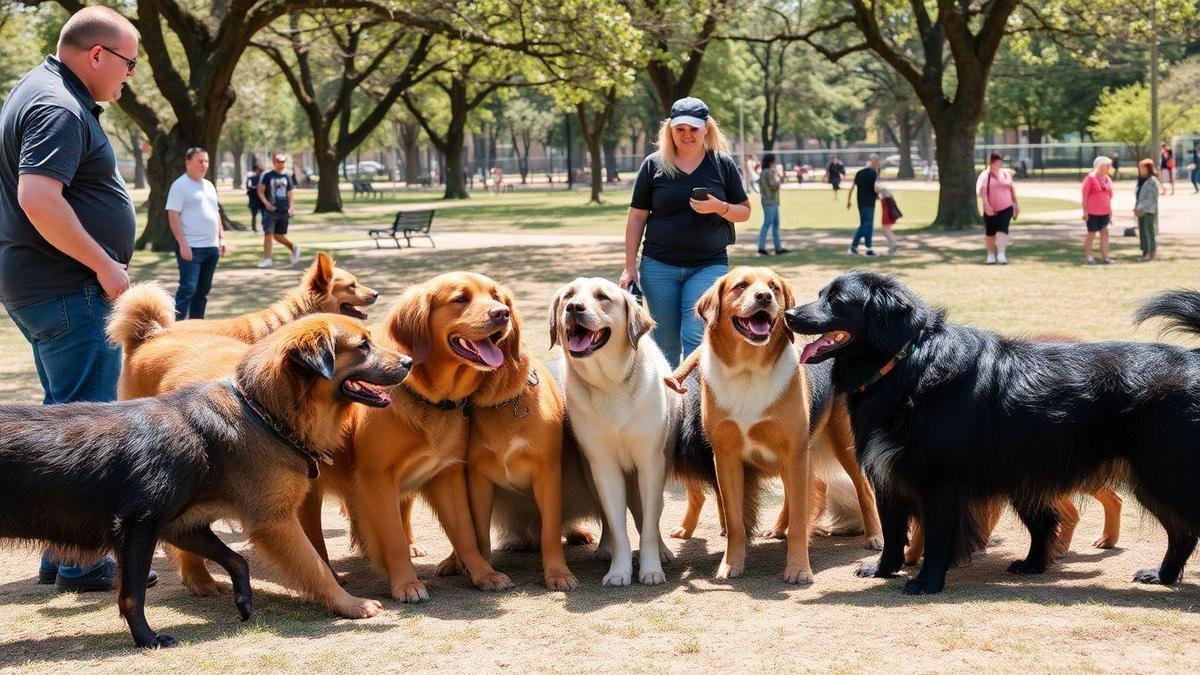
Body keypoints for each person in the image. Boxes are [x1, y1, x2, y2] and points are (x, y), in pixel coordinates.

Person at [0, 5, 156, 592]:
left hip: (43, 287)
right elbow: (39, 198)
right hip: (70, 290)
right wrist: (107, 268)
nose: (130, 76)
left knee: (60, 419)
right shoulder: (59, 106)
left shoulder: (37, 91)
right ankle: (82, 561)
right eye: (128, 63)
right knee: (85, 431)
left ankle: (58, 549)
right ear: (97, 55)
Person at [619, 96, 751, 367]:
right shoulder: (653, 164)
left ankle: (693, 400)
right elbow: (636, 217)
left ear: (706, 129)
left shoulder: (722, 164)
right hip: (659, 265)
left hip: (708, 265)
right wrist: (629, 266)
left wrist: (719, 207)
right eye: (680, 129)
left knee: (695, 332)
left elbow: (745, 210)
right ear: (670, 130)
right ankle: (667, 402)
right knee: (664, 340)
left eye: (693, 128)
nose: (687, 135)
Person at [166, 147, 226, 319]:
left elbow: (215, 213)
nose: (204, 165)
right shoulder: (180, 185)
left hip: (211, 247)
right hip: (191, 247)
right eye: (200, 161)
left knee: (202, 292)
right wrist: (182, 243)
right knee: (188, 289)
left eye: (206, 161)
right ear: (188, 163)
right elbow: (173, 214)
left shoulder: (209, 185)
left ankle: (196, 327)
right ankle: (174, 327)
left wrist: (221, 238)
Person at [255, 152, 301, 268]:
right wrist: (266, 203)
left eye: (283, 161)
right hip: (270, 211)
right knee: (268, 234)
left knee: (278, 235)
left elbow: (290, 193)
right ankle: (267, 259)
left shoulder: (287, 176)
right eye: (279, 161)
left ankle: (293, 247)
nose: (281, 164)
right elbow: (260, 191)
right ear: (274, 162)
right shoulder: (267, 175)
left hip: (283, 210)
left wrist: (291, 207)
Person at [976, 153, 1019, 265]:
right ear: (991, 162)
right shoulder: (985, 175)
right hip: (990, 208)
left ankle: (1001, 254)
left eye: (1000, 161)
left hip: (1006, 207)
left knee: (1003, 230)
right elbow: (982, 192)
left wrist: (1015, 204)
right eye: (996, 162)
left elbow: (1011, 189)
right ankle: (990, 255)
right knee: (990, 233)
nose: (999, 164)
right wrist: (987, 206)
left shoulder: (1006, 174)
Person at [1081, 155, 1115, 265]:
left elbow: (1109, 196)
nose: (1109, 167)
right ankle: (1088, 257)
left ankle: (1105, 257)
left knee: (1105, 233)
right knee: (1092, 234)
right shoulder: (1091, 178)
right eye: (1107, 165)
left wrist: (1110, 212)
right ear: (1100, 166)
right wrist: (1085, 211)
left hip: (1104, 212)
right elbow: (1085, 195)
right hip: (1092, 212)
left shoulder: (1108, 179)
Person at [846, 154, 880, 256]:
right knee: (867, 225)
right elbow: (875, 188)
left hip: (860, 202)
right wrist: (879, 194)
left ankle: (861, 248)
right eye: (878, 161)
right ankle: (860, 247)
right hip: (869, 203)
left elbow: (852, 187)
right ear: (873, 161)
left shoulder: (859, 173)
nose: (879, 164)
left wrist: (848, 200)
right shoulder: (873, 173)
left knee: (865, 225)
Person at [756, 154, 788, 256]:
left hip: (768, 201)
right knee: (769, 224)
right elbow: (773, 185)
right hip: (771, 201)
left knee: (773, 224)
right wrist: (779, 179)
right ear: (771, 162)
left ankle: (777, 247)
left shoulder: (763, 172)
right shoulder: (769, 172)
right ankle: (763, 247)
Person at [1133, 158, 1160, 262]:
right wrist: (1136, 207)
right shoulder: (1141, 180)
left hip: (1148, 210)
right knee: (1143, 232)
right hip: (1140, 210)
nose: (1140, 170)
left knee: (1149, 232)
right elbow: (1139, 195)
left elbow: (1150, 198)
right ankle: (1145, 252)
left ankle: (1151, 254)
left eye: (1142, 168)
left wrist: (1141, 208)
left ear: (1148, 168)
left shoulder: (1152, 181)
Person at [878, 185, 902, 256]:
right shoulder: (887, 199)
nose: (882, 193)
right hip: (887, 217)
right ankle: (892, 246)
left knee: (887, 231)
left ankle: (894, 245)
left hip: (887, 217)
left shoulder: (887, 199)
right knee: (886, 231)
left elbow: (878, 191)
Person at [244, 163, 262, 232]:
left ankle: (264, 226)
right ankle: (254, 227)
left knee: (263, 214)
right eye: (259, 170)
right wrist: (255, 188)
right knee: (254, 215)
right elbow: (249, 187)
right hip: (254, 200)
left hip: (261, 201)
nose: (260, 172)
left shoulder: (263, 179)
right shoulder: (251, 178)